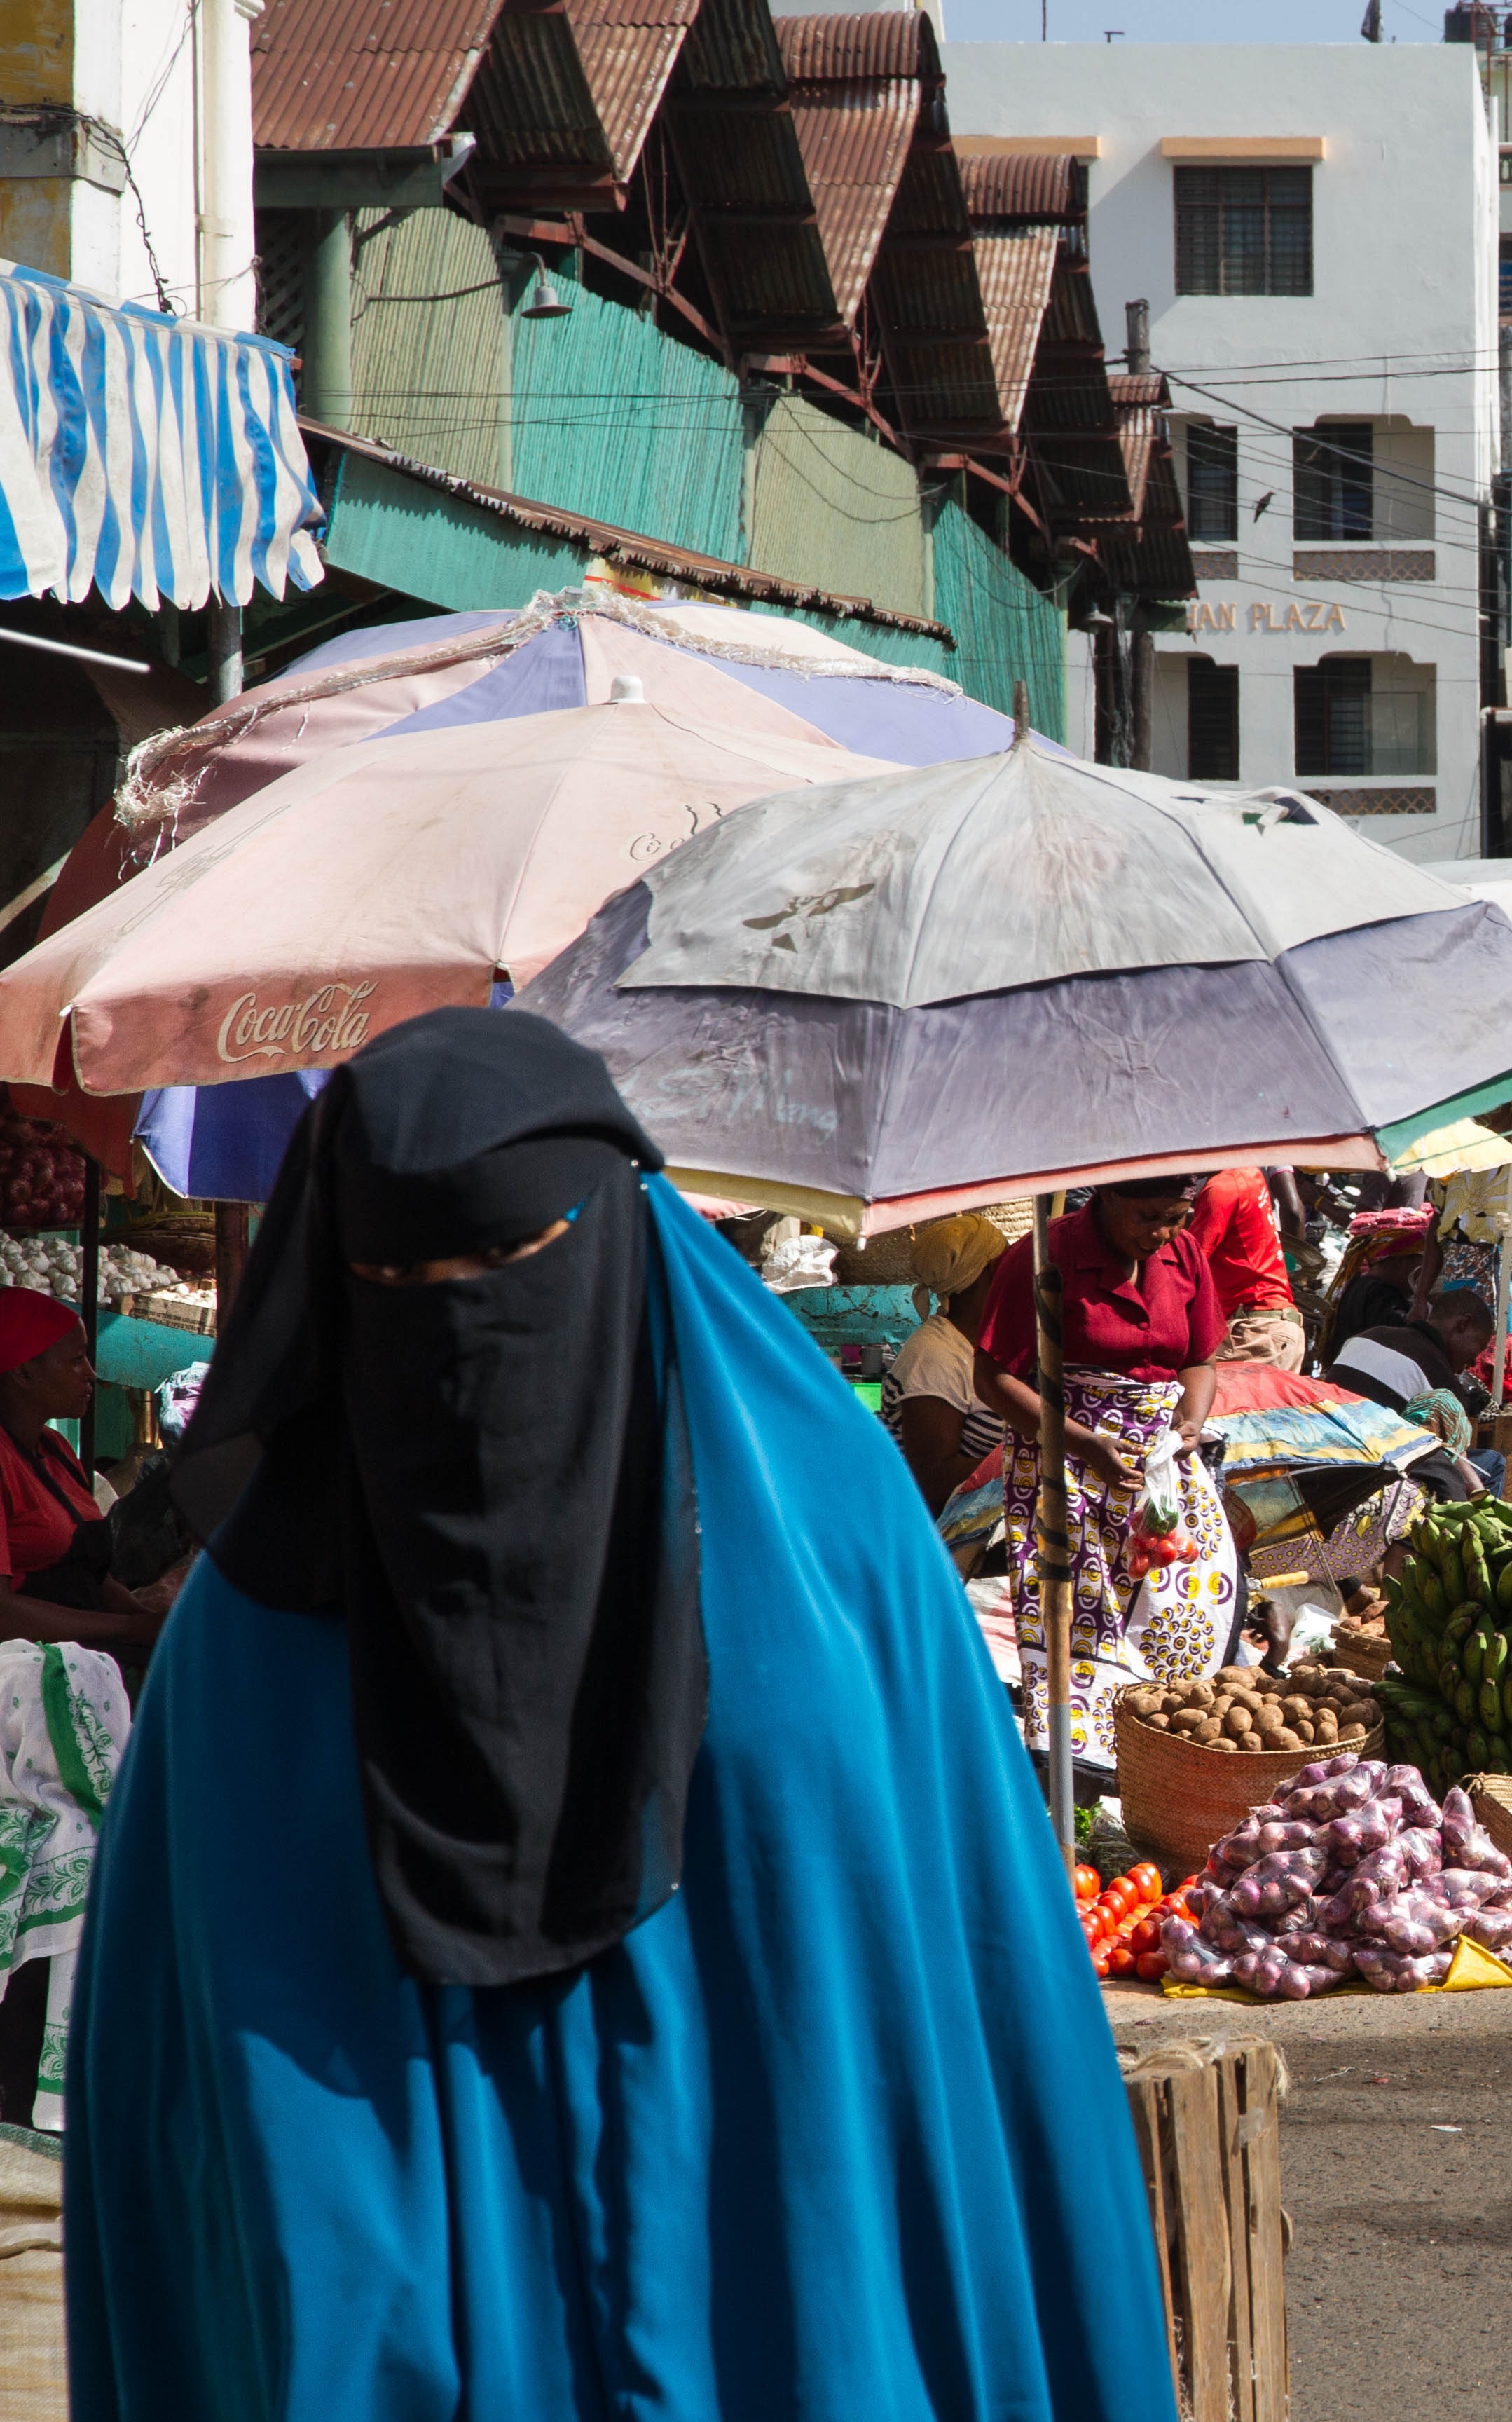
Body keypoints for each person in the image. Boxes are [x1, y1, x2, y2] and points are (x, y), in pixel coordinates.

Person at [69, 1007, 1174, 2419]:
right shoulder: (254, 1640)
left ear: (620, 1231)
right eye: (404, 1278)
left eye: (513, 1263)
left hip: (786, 2290)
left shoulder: (825, 1543)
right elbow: (201, 2128)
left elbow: (960, 2007)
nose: (463, 1331)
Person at [971, 1175, 1237, 1758]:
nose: (1163, 1232)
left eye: (1177, 1216)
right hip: (1063, 1464)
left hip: (1161, 1468)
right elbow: (993, 1380)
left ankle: (1156, 1754)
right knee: (1076, 1617)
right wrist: (1084, 1444)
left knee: (1178, 1604)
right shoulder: (1043, 1256)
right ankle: (1076, 1762)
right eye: (1148, 1216)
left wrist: (1189, 1421)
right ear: (1107, 1198)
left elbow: (1200, 1360)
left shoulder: (1184, 1252)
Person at [0, 1293, 166, 1652]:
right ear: (24, 1372)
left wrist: (148, 1624)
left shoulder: (56, 1448)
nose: (91, 1374)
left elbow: (90, 1575)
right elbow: (3, 1612)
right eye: (76, 1361)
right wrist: (128, 1629)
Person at [884, 1212, 1016, 1514]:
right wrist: (1026, 1466)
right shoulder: (934, 1356)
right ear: (991, 1271)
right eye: (1008, 1260)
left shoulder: (991, 1341)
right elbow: (932, 1478)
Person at [1417, 1114, 1512, 1349]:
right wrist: (1420, 1297)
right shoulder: (1452, 1149)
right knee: (1458, 1363)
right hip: (1461, 1280)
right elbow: (1436, 1227)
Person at [1199, 1167, 1306, 1369]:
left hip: (1254, 1330)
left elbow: (1188, 1265)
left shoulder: (1222, 1188)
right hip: (1279, 1326)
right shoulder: (1250, 1174)